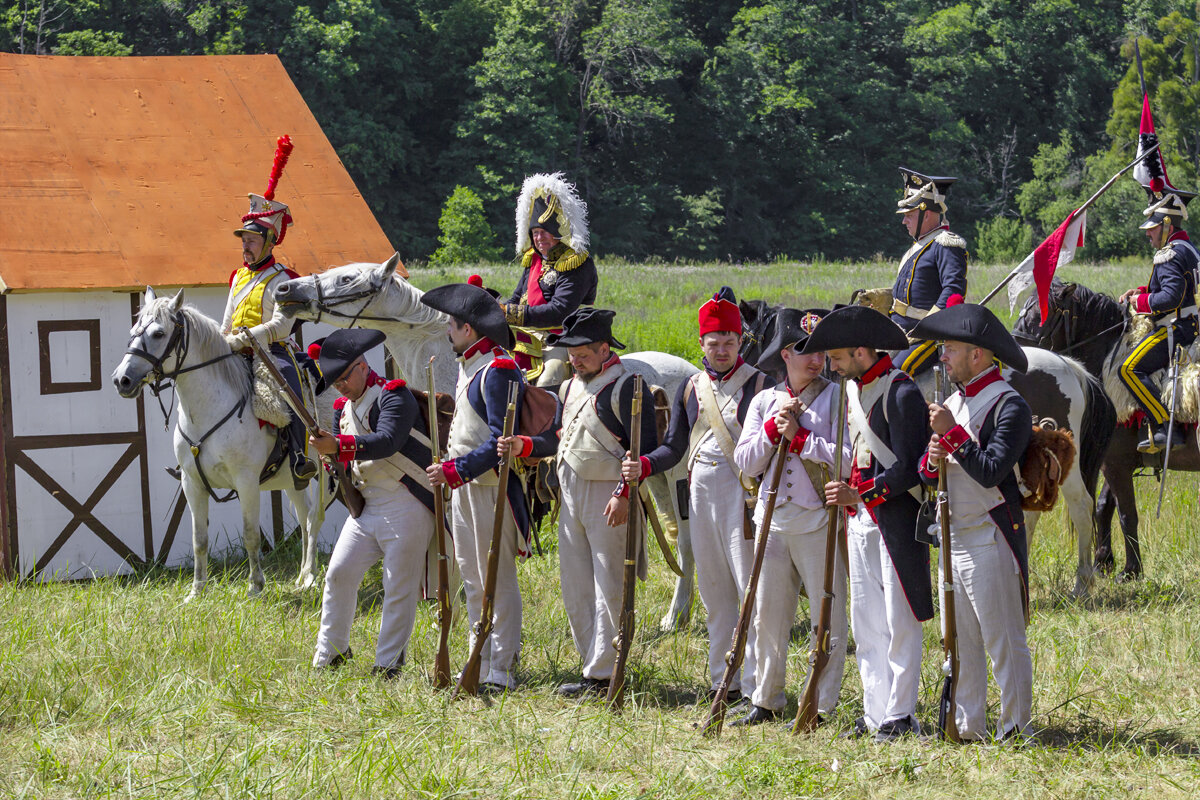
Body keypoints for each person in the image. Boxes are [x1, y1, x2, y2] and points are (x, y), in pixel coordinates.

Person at [618, 287, 771, 706]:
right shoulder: (692, 387)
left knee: (748, 592)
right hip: (701, 498)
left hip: (743, 501)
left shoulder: (761, 385)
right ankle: (724, 680)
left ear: (741, 343)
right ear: (701, 344)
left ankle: (757, 686)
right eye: (713, 343)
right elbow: (673, 444)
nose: (721, 350)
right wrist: (646, 465)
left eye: (729, 342)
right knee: (715, 593)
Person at [804, 305, 934, 743]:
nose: (832, 366)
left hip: (894, 519)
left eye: (837, 357)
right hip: (860, 518)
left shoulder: (900, 392)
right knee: (866, 621)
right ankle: (875, 709)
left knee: (900, 619)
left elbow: (911, 470)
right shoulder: (855, 391)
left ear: (860, 351)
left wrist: (860, 494)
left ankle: (900, 713)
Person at [910, 301, 1035, 742]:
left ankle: (1017, 727)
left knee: (1003, 640)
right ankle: (968, 725)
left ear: (977, 354)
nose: (942, 356)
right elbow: (928, 475)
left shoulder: (1010, 404)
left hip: (989, 534)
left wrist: (953, 434)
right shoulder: (952, 403)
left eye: (950, 348)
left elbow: (992, 471)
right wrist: (933, 455)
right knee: (959, 642)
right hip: (953, 534)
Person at [731, 308, 850, 727]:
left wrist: (801, 439)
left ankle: (822, 703)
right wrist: (769, 431)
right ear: (785, 354)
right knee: (768, 614)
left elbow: (849, 462)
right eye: (804, 351)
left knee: (828, 615)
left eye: (819, 352)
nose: (815, 360)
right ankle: (766, 699)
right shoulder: (764, 400)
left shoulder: (838, 399)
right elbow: (744, 462)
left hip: (819, 519)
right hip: (772, 519)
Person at [536, 307, 657, 697]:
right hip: (570, 495)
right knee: (575, 584)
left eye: (584, 351)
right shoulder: (570, 386)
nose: (575, 358)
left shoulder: (628, 387)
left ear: (605, 348)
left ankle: (607, 672)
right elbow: (559, 438)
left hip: (610, 497)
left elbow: (645, 452)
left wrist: (625, 495)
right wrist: (524, 445)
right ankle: (592, 664)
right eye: (571, 351)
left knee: (609, 585)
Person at [421, 282, 532, 693]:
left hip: (488, 486)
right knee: (471, 575)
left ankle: (502, 666)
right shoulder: (472, 364)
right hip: (467, 486)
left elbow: (501, 440)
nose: (448, 331)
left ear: (468, 329)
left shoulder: (499, 369)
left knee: (495, 577)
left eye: (452, 325)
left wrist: (456, 470)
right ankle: (479, 658)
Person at [308, 329, 436, 677]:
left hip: (407, 501)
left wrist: (339, 447)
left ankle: (388, 663)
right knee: (338, 575)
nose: (340, 387)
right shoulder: (342, 408)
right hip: (368, 506)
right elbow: (346, 455)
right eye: (334, 381)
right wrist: (332, 459)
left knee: (397, 586)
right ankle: (330, 654)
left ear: (363, 366)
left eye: (343, 377)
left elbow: (387, 442)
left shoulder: (394, 396)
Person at [221, 135, 316, 487]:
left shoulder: (285, 280)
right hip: (233, 346)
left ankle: (299, 457)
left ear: (269, 241)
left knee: (289, 391)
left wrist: (247, 339)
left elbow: (282, 326)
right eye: (242, 240)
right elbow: (228, 318)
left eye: (251, 240)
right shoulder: (238, 276)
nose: (244, 246)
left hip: (270, 350)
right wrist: (221, 341)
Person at [1116, 186, 1200, 452]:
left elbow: (1171, 299)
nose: (1148, 234)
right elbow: (1176, 290)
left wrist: (1138, 302)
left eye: (1152, 228)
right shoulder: (1189, 249)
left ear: (1166, 224)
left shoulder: (1169, 253)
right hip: (1192, 325)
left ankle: (1165, 426)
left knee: (1127, 370)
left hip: (1177, 329)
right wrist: (1141, 291)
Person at [500, 173, 599, 386]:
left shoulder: (575, 262)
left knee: (548, 378)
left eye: (545, 232)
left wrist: (510, 313)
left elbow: (560, 311)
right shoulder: (533, 259)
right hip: (526, 335)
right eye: (535, 232)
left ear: (559, 232)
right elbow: (518, 297)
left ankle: (555, 419)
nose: (539, 238)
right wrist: (497, 312)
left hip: (563, 337)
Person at [889, 168, 969, 377]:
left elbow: (954, 290)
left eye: (909, 215)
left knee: (894, 377)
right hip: (898, 329)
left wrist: (931, 325)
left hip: (925, 336)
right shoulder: (920, 246)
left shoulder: (946, 244)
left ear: (928, 214)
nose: (904, 221)